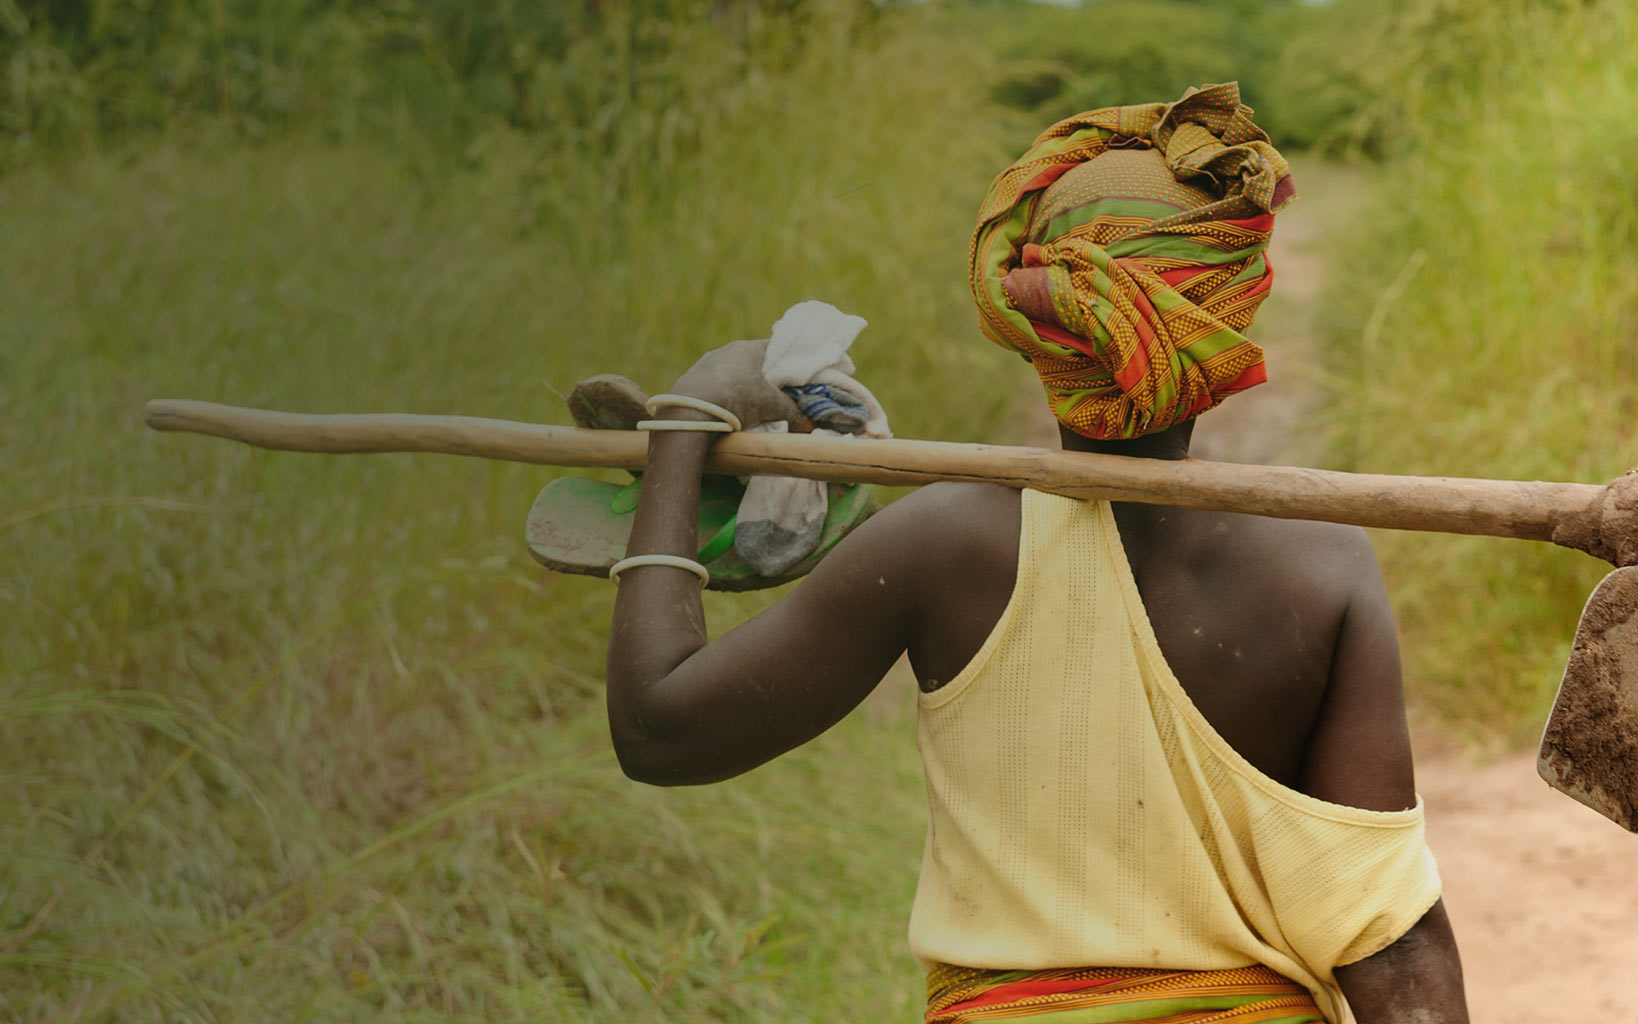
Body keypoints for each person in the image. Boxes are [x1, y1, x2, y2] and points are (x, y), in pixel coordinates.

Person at [600, 84, 1470, 1023]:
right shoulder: (1321, 567)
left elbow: (661, 729)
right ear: (1226, 322)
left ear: (1034, 325)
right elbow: (1395, 950)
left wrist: (682, 431)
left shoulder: (936, 545)